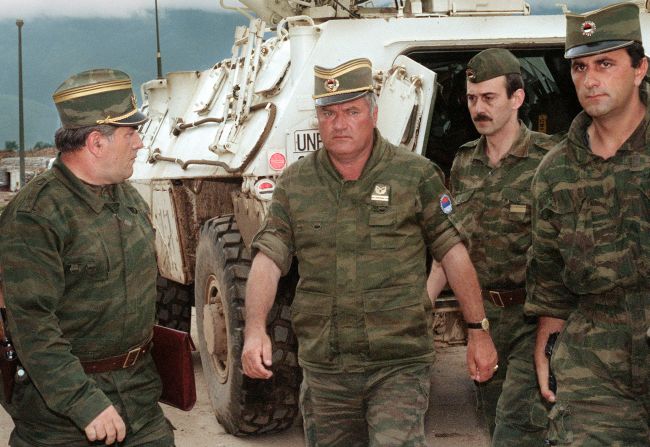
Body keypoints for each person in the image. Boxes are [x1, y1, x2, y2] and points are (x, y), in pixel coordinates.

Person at [241, 57, 498, 446]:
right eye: (328, 113)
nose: (339, 123)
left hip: (398, 364)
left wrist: (478, 331)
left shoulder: (415, 175)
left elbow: (452, 252)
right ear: (317, 118)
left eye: (352, 111)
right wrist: (255, 328)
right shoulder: (296, 183)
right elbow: (268, 258)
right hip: (325, 368)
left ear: (374, 113)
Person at [0, 69, 174, 446]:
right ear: (96, 143)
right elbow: (32, 327)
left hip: (140, 397)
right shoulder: (36, 217)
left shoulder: (125, 197)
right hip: (62, 415)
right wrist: (83, 402)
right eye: (131, 134)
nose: (140, 144)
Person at [524, 3, 649, 445]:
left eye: (605, 63)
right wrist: (547, 345)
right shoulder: (554, 172)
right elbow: (550, 277)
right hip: (595, 362)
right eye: (579, 67)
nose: (590, 79)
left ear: (640, 69)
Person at [427, 48, 554, 444]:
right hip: (482, 319)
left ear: (517, 99)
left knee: (517, 428)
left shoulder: (550, 161)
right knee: (494, 420)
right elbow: (450, 246)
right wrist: (422, 306)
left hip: (535, 317)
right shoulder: (464, 162)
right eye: (471, 98)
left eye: (489, 98)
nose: (477, 108)